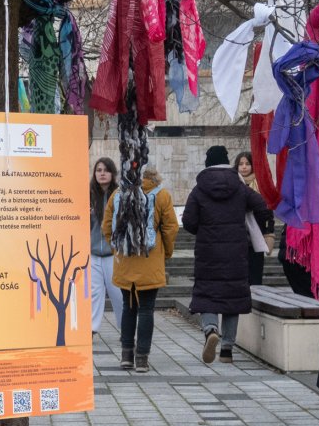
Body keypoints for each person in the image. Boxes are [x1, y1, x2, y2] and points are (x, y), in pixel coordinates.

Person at [184, 145, 272, 364]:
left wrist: (203, 230)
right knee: (232, 298)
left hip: (207, 252)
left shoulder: (199, 189)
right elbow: (263, 206)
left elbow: (188, 221)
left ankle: (211, 330)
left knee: (207, 296)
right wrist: (255, 227)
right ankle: (226, 350)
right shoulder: (240, 187)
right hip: (236, 252)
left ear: (208, 163)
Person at [103, 165, 178, 373]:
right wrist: (166, 252)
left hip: (125, 261)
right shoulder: (161, 195)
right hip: (150, 259)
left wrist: (117, 248)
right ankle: (142, 359)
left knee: (128, 308)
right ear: (154, 176)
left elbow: (107, 226)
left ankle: (126, 356)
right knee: (146, 310)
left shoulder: (118, 194)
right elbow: (171, 227)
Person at [88, 157, 120, 334]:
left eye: (106, 170)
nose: (102, 173)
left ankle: (126, 331)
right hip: (93, 254)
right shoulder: (89, 195)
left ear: (112, 173)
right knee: (95, 295)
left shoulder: (119, 194)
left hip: (113, 255)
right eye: (98, 170)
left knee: (118, 295)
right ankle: (92, 331)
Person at [233, 151, 275, 284]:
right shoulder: (232, 184)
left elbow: (268, 211)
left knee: (255, 276)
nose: (244, 167)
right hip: (237, 236)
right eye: (241, 164)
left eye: (247, 164)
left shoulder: (260, 185)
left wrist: (269, 233)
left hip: (256, 235)